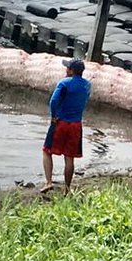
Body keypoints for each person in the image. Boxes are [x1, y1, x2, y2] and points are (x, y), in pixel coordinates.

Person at [41, 58, 92, 196]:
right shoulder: (87, 85)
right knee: (69, 158)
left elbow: (54, 100)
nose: (65, 70)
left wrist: (53, 115)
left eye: (67, 68)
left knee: (47, 150)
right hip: (76, 124)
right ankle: (67, 189)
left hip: (61, 122)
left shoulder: (64, 83)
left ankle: (48, 181)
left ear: (71, 70)